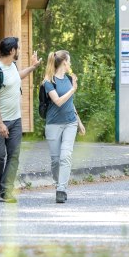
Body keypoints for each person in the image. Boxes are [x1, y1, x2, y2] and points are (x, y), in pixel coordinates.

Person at [0, 36, 42, 203]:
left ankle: (6, 190)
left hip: (16, 120)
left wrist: (32, 67)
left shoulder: (12, 67)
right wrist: (0, 123)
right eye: (17, 48)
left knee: (14, 155)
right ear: (11, 51)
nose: (18, 51)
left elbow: (17, 77)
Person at [42, 50, 85, 204]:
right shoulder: (49, 81)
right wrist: (73, 89)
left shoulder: (68, 79)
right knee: (55, 160)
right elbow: (58, 101)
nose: (71, 64)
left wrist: (79, 122)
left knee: (65, 157)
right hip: (53, 124)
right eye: (70, 61)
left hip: (70, 123)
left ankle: (61, 189)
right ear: (64, 62)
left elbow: (70, 103)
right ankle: (58, 183)